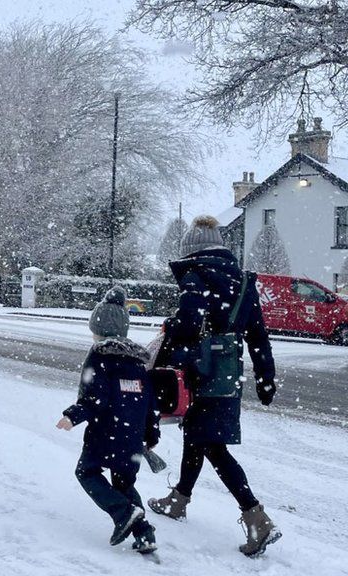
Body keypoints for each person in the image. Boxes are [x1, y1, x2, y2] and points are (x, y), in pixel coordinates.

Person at [148, 215, 281, 558]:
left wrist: (171, 336)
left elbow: (189, 325)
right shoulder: (244, 281)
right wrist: (266, 379)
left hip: (200, 373)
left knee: (212, 447)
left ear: (191, 251)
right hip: (227, 374)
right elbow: (259, 338)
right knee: (198, 437)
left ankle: (256, 516)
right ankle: (179, 500)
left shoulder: (196, 276)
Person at [56, 286, 161, 554]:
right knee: (124, 483)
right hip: (132, 436)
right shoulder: (137, 361)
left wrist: (72, 415)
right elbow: (150, 401)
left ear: (99, 329)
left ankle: (123, 513)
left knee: (86, 472)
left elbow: (95, 398)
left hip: (105, 434)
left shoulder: (99, 355)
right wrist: (151, 433)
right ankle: (144, 533)